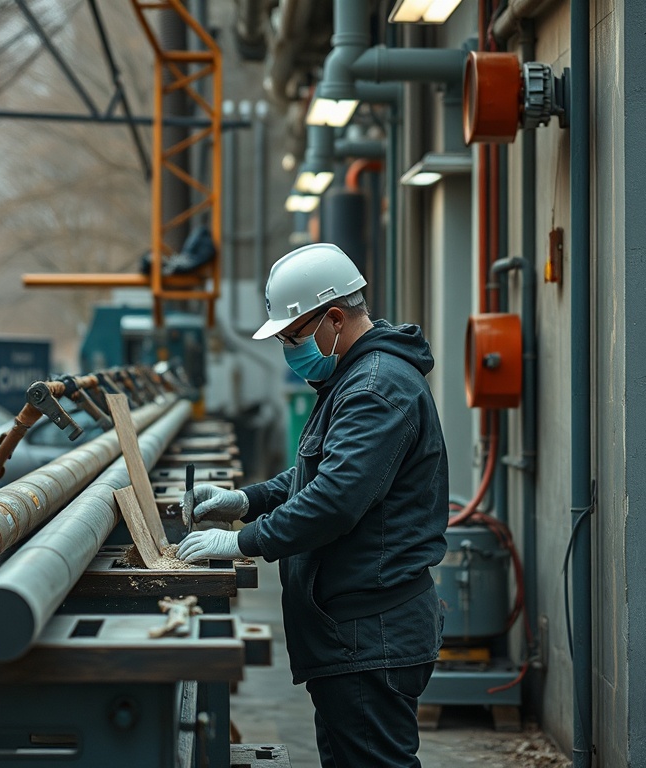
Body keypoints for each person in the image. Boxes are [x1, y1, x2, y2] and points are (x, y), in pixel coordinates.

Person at [176, 242, 448, 767]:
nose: (288, 350)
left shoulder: (374, 389)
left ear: (334, 318)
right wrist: (245, 499)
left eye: (293, 336)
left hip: (370, 633)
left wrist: (241, 541)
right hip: (353, 632)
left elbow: (333, 502)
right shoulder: (352, 378)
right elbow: (317, 475)